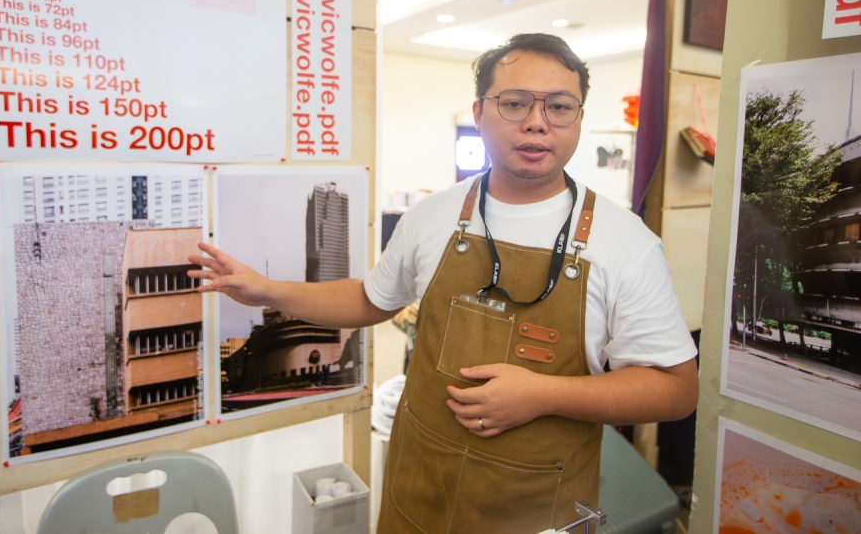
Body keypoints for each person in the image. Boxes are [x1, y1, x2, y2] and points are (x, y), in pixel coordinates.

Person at [188, 33, 699, 533]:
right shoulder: (431, 217)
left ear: (580, 118)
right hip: (418, 496)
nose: (538, 123)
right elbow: (371, 299)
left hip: (537, 508)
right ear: (479, 113)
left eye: (560, 107)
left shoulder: (626, 243)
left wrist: (543, 394)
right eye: (515, 103)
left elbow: (675, 391)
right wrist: (267, 290)